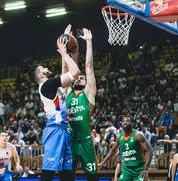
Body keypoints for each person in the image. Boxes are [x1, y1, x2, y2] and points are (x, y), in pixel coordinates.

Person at [29, 24, 81, 181]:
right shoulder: (46, 85)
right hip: (55, 130)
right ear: (40, 74)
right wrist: (65, 53)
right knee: (49, 172)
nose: (46, 68)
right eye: (43, 67)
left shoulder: (51, 85)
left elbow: (65, 71)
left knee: (67, 173)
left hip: (63, 130)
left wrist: (65, 43)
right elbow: (76, 72)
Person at [64, 27, 98, 181]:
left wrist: (89, 42)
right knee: (67, 177)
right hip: (70, 141)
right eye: (78, 78)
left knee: (92, 177)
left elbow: (89, 67)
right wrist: (65, 46)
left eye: (82, 78)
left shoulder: (89, 94)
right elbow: (68, 70)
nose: (79, 78)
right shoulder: (67, 93)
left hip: (85, 142)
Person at [99, 116, 153, 181]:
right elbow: (113, 151)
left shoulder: (138, 135)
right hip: (126, 170)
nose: (125, 122)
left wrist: (146, 169)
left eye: (127, 121)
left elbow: (150, 151)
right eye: (123, 121)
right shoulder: (119, 137)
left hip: (139, 170)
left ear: (131, 123)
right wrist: (102, 163)